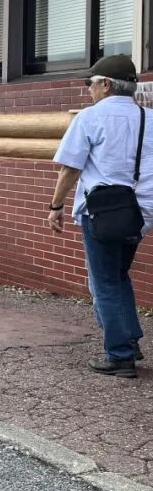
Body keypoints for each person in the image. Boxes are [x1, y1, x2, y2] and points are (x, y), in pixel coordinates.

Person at [49, 55, 152, 378]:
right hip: (140, 213)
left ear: (105, 84)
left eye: (90, 84)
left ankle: (119, 356)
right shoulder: (149, 118)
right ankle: (129, 339)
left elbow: (70, 168)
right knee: (118, 275)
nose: (88, 90)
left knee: (104, 282)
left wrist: (56, 206)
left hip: (102, 212)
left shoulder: (90, 118)